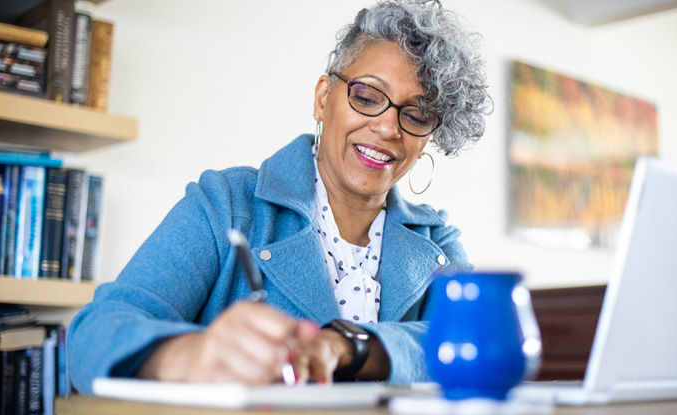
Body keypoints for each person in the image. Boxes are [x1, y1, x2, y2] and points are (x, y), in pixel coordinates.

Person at [67, 0, 491, 394]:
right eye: (366, 97)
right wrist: (189, 356)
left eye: (416, 114)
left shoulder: (437, 240)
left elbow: (476, 346)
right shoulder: (226, 203)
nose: (388, 128)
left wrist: (350, 346)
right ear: (323, 98)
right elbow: (93, 336)